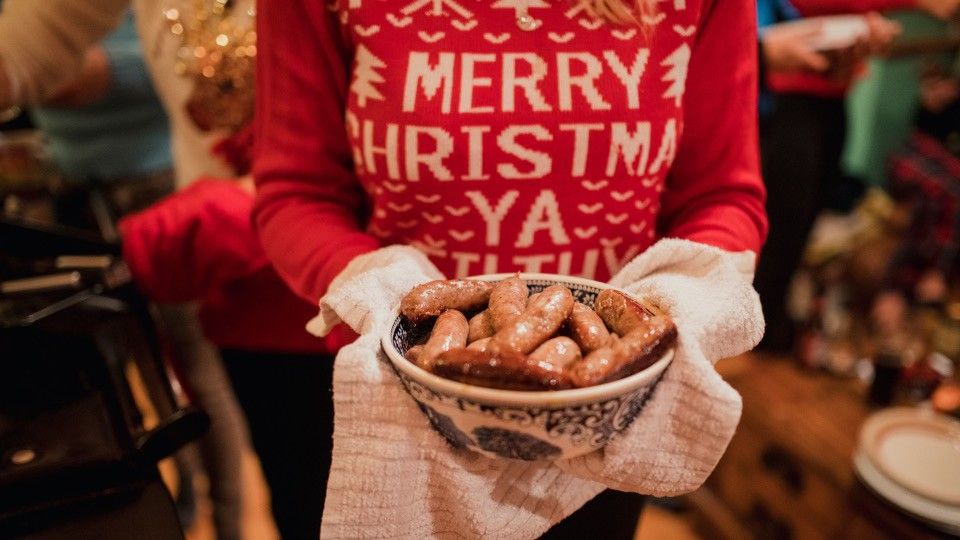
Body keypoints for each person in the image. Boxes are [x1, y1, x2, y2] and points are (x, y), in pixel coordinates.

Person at [252, 0, 767, 536]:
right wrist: (376, 285)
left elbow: (723, 195)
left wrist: (678, 300)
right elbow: (297, 193)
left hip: (602, 433)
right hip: (402, 411)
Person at [0, 3, 253, 538]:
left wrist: (71, 74)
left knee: (194, 371)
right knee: (126, 365)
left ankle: (230, 520)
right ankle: (181, 497)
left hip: (150, 181)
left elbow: (154, 70)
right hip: (69, 181)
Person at [752, 0, 960, 352]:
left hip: (830, 99)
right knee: (780, 228)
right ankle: (754, 334)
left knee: (801, 227)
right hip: (788, 100)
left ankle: (771, 328)